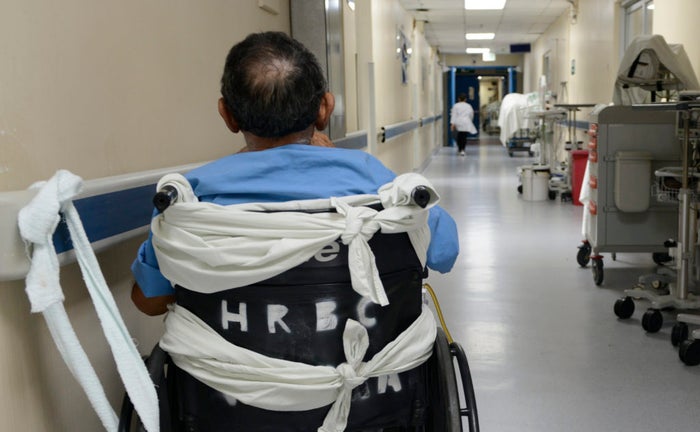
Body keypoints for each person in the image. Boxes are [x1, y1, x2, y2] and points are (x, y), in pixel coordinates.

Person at [131, 31, 459, 315]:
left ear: (227, 115)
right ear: (325, 109)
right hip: (371, 362)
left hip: (224, 368)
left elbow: (150, 301)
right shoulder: (373, 179)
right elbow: (444, 253)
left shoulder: (190, 196)